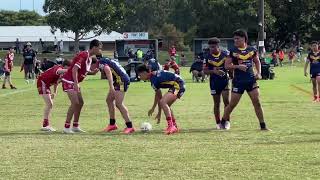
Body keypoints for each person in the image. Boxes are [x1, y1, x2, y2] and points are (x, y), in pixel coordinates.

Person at [220, 29, 270, 131]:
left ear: (244, 39)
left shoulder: (252, 50)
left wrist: (259, 73)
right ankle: (223, 121)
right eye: (234, 39)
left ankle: (263, 126)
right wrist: (238, 67)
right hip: (238, 81)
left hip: (251, 80)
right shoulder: (232, 51)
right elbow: (227, 65)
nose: (235, 41)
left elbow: (257, 62)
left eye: (237, 39)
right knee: (232, 105)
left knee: (257, 102)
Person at [61, 39, 102, 134]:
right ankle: (66, 127)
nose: (100, 51)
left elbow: (84, 71)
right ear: (94, 48)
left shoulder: (90, 58)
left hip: (74, 81)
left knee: (80, 103)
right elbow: (74, 69)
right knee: (75, 102)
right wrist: (75, 83)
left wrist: (93, 72)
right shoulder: (83, 55)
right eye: (99, 49)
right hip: (69, 80)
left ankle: (75, 126)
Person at [136, 65, 186, 135]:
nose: (140, 77)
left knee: (163, 102)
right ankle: (174, 126)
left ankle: (171, 126)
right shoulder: (153, 77)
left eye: (140, 75)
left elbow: (160, 99)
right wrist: (157, 111)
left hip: (178, 84)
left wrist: (156, 110)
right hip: (177, 84)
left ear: (144, 73)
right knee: (166, 105)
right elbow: (159, 97)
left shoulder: (154, 80)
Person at [94, 56, 135, 134]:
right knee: (109, 100)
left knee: (119, 104)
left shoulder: (100, 63)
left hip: (121, 80)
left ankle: (130, 126)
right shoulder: (104, 60)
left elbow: (108, 70)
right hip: (118, 79)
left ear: (94, 63)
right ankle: (112, 124)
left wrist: (111, 86)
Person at [203, 38, 230, 129]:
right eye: (210, 47)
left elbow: (230, 66)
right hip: (214, 82)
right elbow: (205, 71)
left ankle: (226, 121)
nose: (211, 49)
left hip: (225, 81)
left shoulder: (225, 55)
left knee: (227, 101)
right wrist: (214, 72)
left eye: (213, 47)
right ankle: (218, 123)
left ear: (218, 46)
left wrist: (230, 73)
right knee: (217, 103)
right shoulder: (207, 57)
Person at [37, 59, 71, 132]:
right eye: (69, 67)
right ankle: (45, 125)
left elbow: (56, 82)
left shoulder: (61, 71)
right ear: (65, 66)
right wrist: (71, 70)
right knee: (49, 104)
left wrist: (55, 92)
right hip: (43, 82)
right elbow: (59, 71)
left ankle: (45, 124)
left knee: (50, 104)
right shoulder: (59, 68)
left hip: (46, 84)